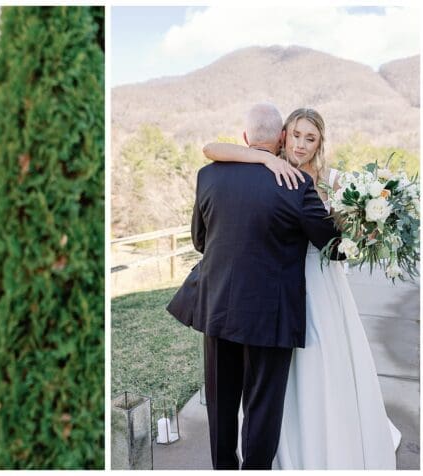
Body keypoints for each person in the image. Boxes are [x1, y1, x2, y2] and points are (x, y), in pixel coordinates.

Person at [200, 107, 400, 469]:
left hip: (311, 287)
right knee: (265, 387)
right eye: (295, 135)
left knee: (312, 367)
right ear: (281, 137)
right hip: (273, 294)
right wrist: (260, 158)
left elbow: (334, 246)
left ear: (320, 142)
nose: (301, 144)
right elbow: (212, 147)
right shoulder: (276, 174)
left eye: (310, 138)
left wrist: (366, 232)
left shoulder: (320, 180)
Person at [167, 102, 344, 469]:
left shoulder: (208, 176)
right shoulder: (297, 186)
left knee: (220, 403)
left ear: (246, 138)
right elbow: (332, 246)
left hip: (217, 308)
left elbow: (201, 240)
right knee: (262, 409)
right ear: (281, 138)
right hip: (270, 316)